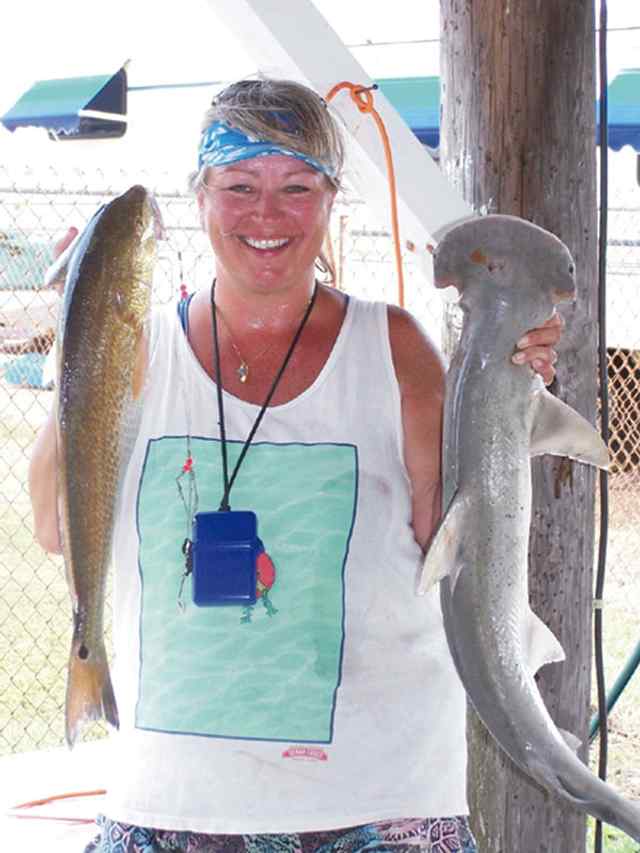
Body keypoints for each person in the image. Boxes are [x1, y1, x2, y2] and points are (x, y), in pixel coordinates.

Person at [29, 78, 562, 853]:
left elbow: (457, 552)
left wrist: (507, 394)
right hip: (170, 807)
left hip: (379, 808)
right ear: (201, 197)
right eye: (238, 185)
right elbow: (51, 523)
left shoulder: (395, 350)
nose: (266, 215)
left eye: (296, 187)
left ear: (332, 198)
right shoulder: (136, 349)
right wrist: (79, 348)